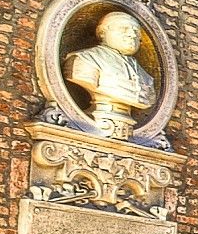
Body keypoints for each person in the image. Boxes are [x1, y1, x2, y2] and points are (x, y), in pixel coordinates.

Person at [65, 10, 156, 138]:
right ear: (103, 33)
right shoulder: (84, 59)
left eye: (136, 31)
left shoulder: (145, 77)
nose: (132, 35)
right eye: (124, 29)